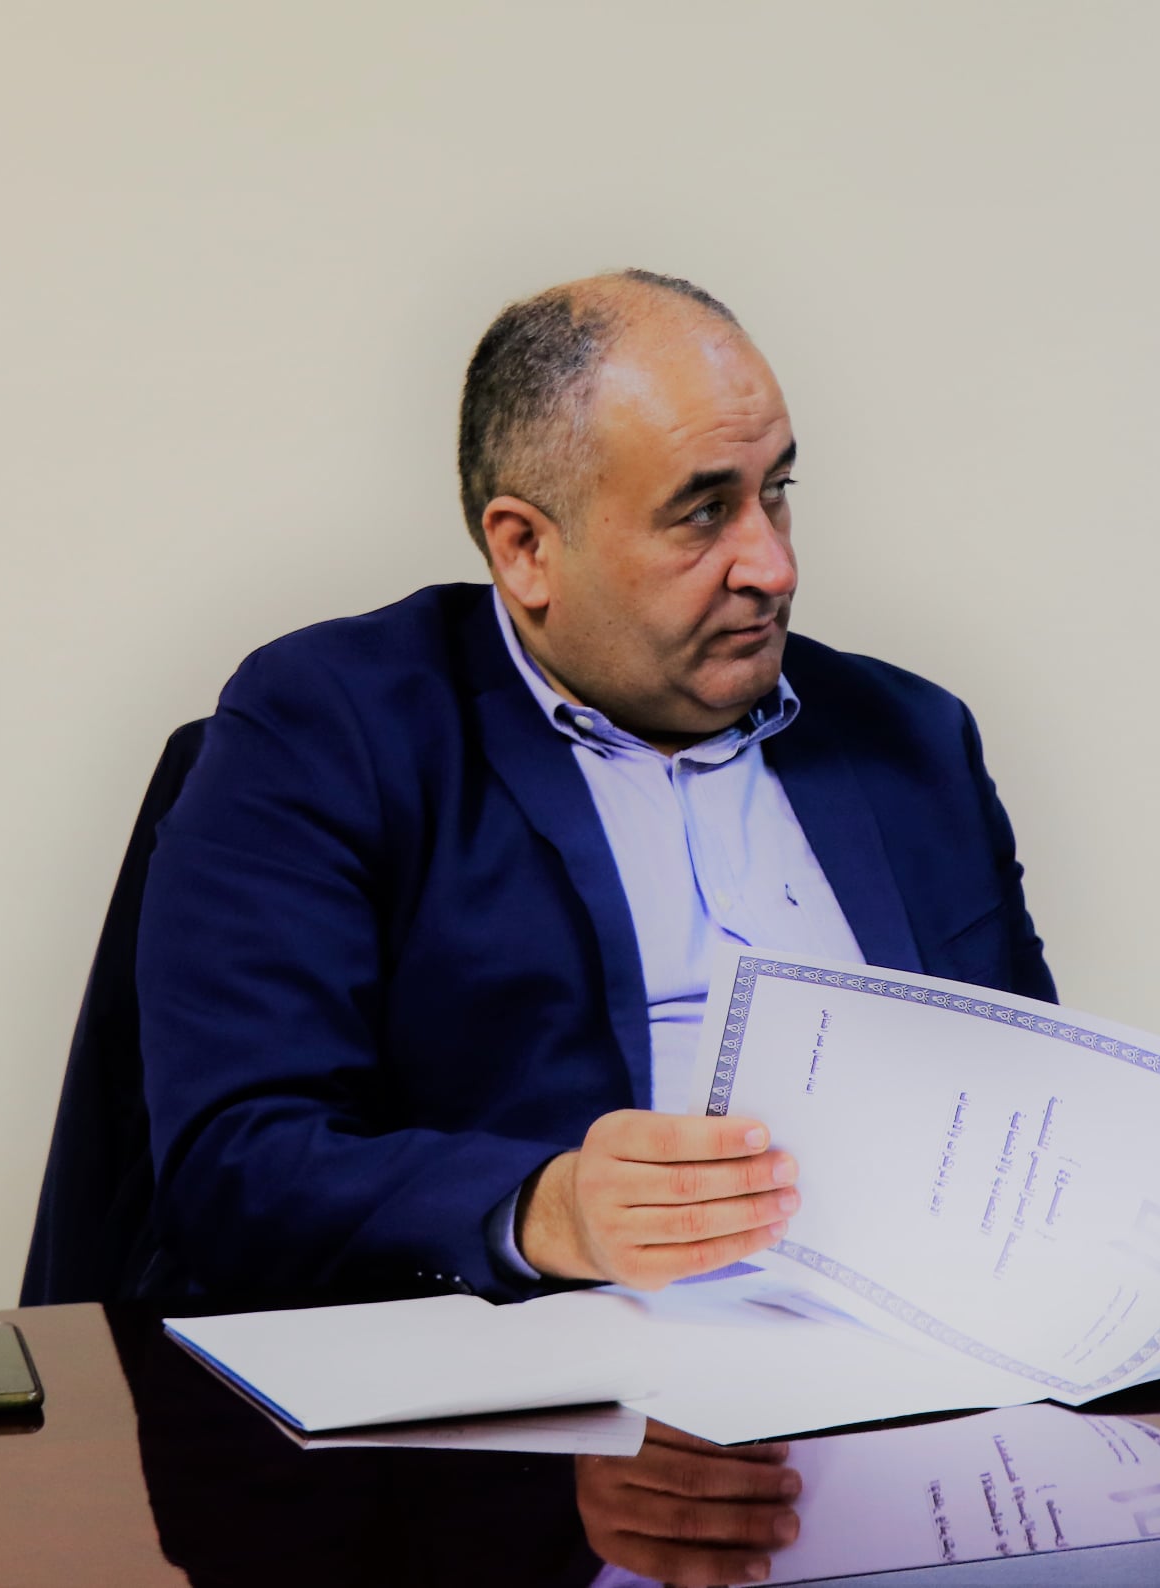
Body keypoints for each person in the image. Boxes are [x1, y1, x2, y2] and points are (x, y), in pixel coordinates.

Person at [134, 270, 1054, 1304]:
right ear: (525, 549)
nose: (771, 566)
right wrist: (545, 1211)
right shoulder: (334, 727)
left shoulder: (910, 738)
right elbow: (237, 1163)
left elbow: (1040, 1105)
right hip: (542, 1367)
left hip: (901, 1352)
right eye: (703, 513)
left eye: (777, 492)